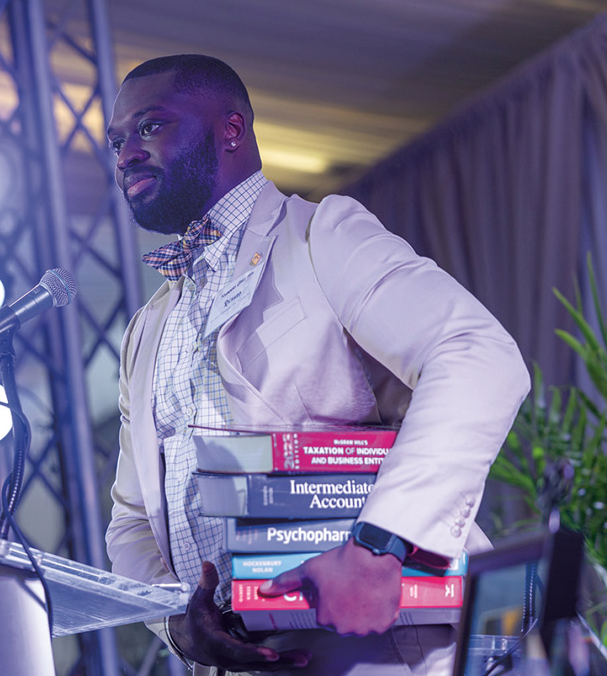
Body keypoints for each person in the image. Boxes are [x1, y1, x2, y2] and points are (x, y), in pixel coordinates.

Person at [104, 54, 530, 675]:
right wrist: (175, 620)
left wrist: (380, 548)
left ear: (230, 129)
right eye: (116, 141)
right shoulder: (146, 330)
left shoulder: (321, 235)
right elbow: (132, 519)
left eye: (150, 127)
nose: (126, 154)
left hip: (387, 648)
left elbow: (478, 355)